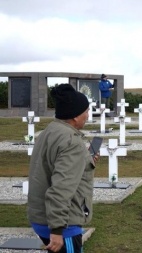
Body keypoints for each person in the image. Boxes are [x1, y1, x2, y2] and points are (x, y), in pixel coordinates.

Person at [27, 84, 99, 253]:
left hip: (40, 217)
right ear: (75, 115)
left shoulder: (49, 131)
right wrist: (57, 230)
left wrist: (85, 159)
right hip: (63, 224)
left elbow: (50, 167)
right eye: (86, 111)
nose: (88, 116)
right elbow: (61, 188)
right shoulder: (72, 142)